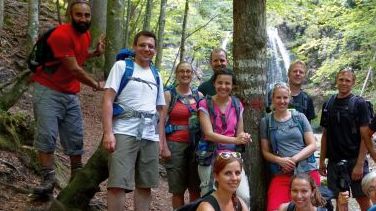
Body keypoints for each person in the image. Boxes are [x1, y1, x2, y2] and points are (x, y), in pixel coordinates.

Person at [31, 0, 105, 197]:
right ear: (69, 16)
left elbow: (76, 57)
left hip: (70, 93)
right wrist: (96, 84)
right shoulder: (62, 34)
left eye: (86, 15)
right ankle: (48, 181)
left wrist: (94, 53)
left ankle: (76, 180)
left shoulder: (85, 34)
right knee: (47, 135)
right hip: (48, 89)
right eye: (78, 15)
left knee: (76, 135)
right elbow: (73, 68)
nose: (83, 19)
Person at [102, 31, 165, 211]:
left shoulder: (156, 74)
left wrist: (160, 140)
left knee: (145, 185)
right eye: (143, 45)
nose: (147, 49)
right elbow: (107, 99)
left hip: (149, 135)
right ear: (134, 47)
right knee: (117, 183)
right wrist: (108, 133)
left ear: (155, 50)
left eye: (151, 46)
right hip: (124, 131)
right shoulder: (122, 67)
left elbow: (160, 109)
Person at [260, 82, 319, 211]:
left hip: (306, 170)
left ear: (290, 98)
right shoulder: (266, 122)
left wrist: (292, 160)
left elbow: (312, 145)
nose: (282, 101)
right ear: (273, 99)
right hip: (282, 173)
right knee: (274, 208)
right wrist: (280, 160)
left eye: (285, 98)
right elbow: (265, 152)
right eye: (278, 98)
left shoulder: (300, 117)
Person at [319, 68, 371, 211]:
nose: (344, 83)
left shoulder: (360, 104)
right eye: (341, 79)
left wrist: (360, 164)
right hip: (335, 162)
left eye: (347, 80)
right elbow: (325, 134)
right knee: (340, 201)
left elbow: (365, 136)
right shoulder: (328, 104)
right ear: (336, 80)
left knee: (363, 198)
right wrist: (322, 160)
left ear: (353, 83)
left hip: (355, 160)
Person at [197, 68, 251, 205]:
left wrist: (244, 137)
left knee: (243, 196)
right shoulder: (204, 104)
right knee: (208, 196)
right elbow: (208, 134)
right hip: (210, 156)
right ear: (214, 84)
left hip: (232, 158)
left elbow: (239, 132)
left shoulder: (237, 104)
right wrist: (236, 139)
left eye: (227, 83)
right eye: (220, 83)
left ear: (233, 86)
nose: (223, 86)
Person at [159, 61, 202, 209]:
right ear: (177, 74)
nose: (185, 74)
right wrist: (163, 146)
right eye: (182, 71)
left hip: (196, 147)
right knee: (177, 190)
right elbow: (161, 122)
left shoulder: (199, 96)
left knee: (195, 189)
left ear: (192, 74)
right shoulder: (168, 95)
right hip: (174, 146)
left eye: (188, 71)